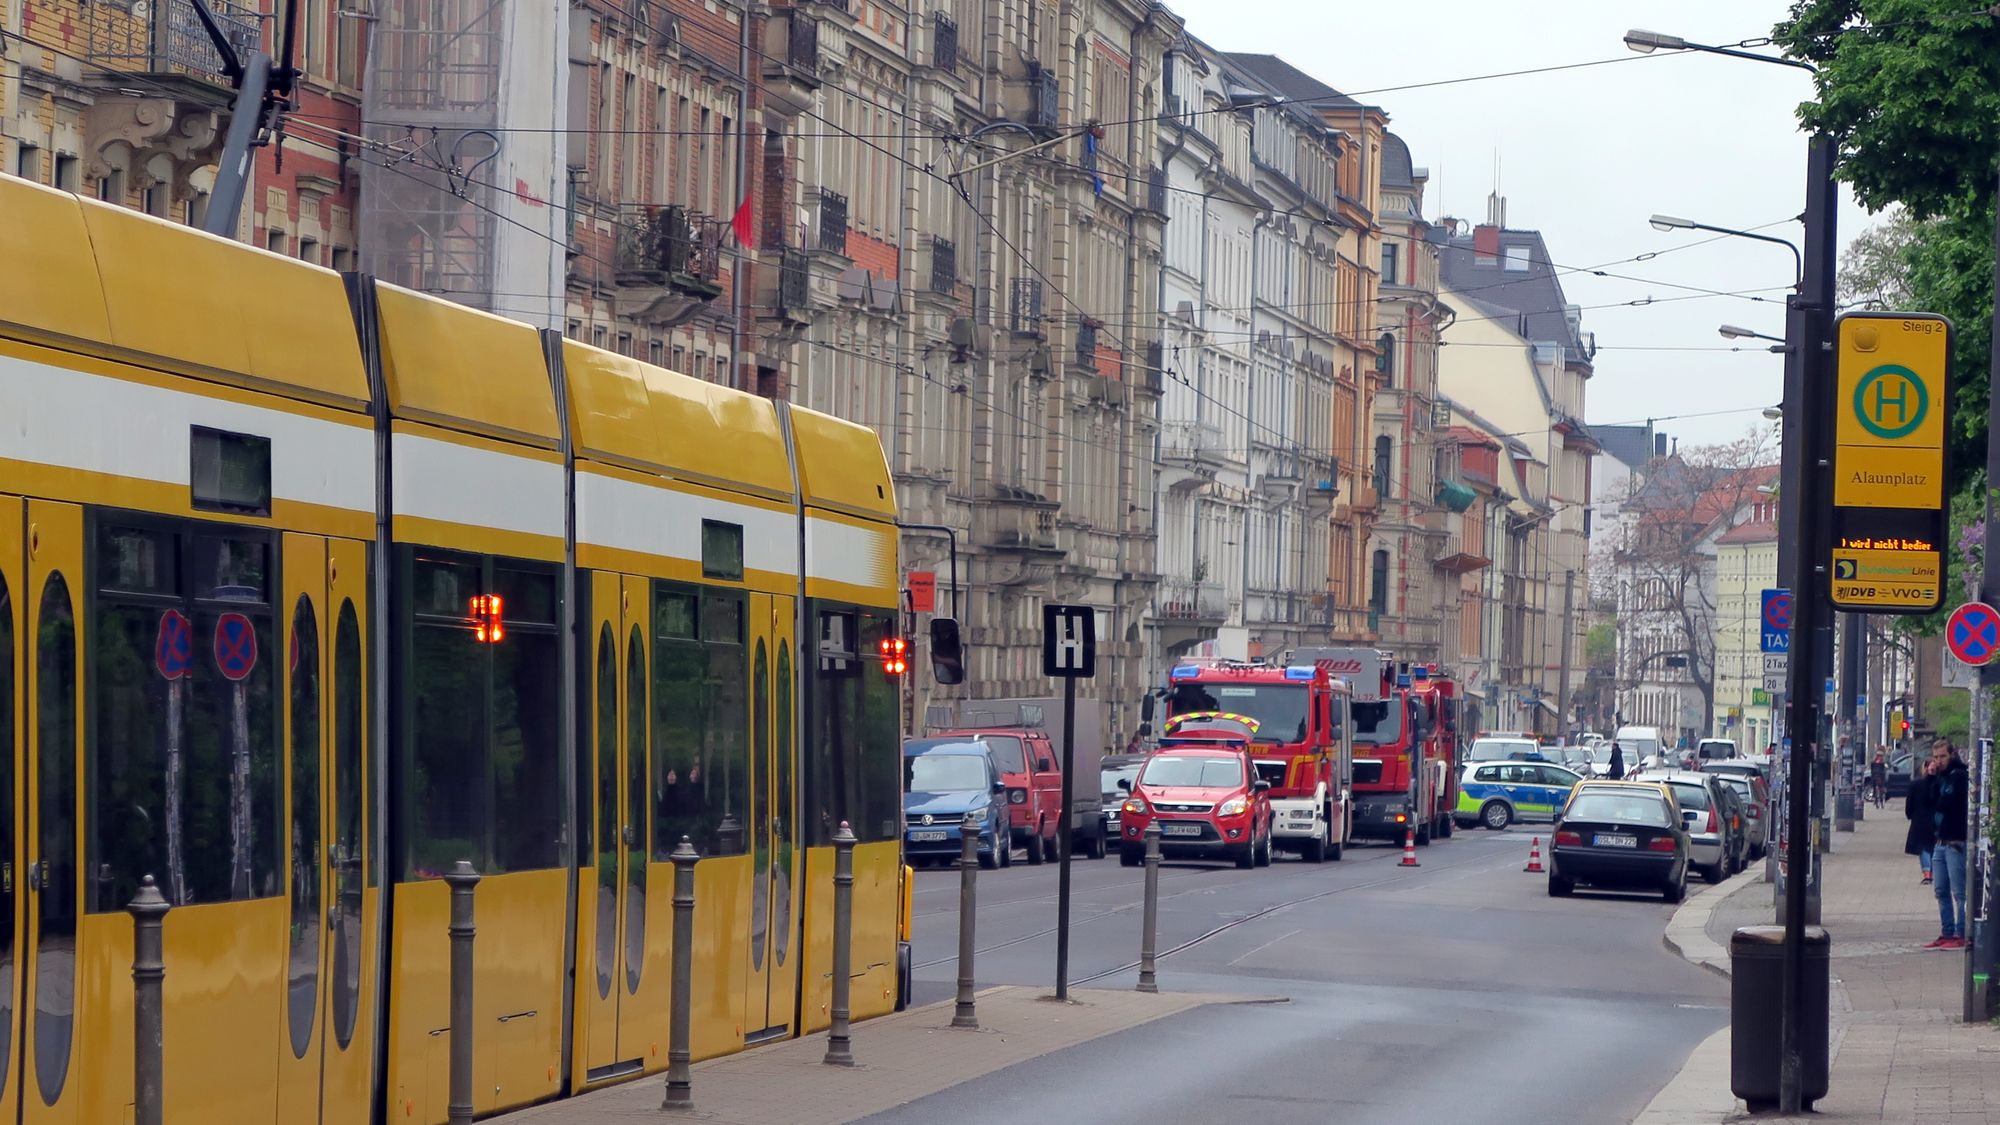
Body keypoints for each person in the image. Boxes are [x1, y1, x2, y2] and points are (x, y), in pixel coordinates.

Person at [1928, 741, 1970, 949]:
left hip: (1955, 841)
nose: (1938, 761)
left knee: (1959, 891)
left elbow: (1946, 802)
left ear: (1951, 755)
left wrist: (1938, 783)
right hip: (1941, 840)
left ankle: (1961, 933)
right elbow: (1929, 800)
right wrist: (1932, 777)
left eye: (1942, 757)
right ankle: (1947, 931)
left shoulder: (1959, 775)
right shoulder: (1940, 777)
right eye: (1935, 757)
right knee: (1940, 889)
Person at [1905, 753, 1936, 884]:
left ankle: (1927, 873)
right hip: (1936, 820)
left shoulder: (1916, 784)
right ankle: (1934, 872)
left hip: (1919, 820)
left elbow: (1909, 803)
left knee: (1922, 848)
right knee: (1933, 847)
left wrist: (1910, 815)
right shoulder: (1940, 783)